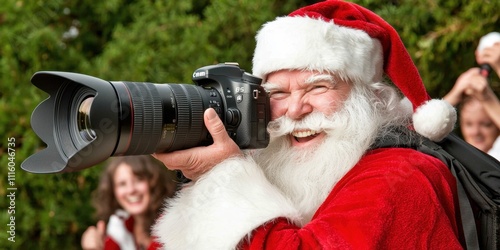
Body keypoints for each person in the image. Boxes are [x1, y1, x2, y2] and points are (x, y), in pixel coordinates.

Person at [152, 1, 464, 249]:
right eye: (278, 93)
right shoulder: (278, 170)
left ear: (369, 97)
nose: (295, 110)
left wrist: (223, 173)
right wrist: (209, 177)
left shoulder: (402, 173)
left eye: (318, 87)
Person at [81, 155, 177, 250]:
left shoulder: (173, 223)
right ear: (113, 191)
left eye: (139, 180)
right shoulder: (119, 229)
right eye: (122, 184)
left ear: (154, 181)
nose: (131, 190)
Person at [444, 32, 500, 160]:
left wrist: (487, 98)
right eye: (468, 124)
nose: (476, 132)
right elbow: (418, 135)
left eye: (486, 124)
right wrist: (454, 94)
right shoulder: (455, 158)